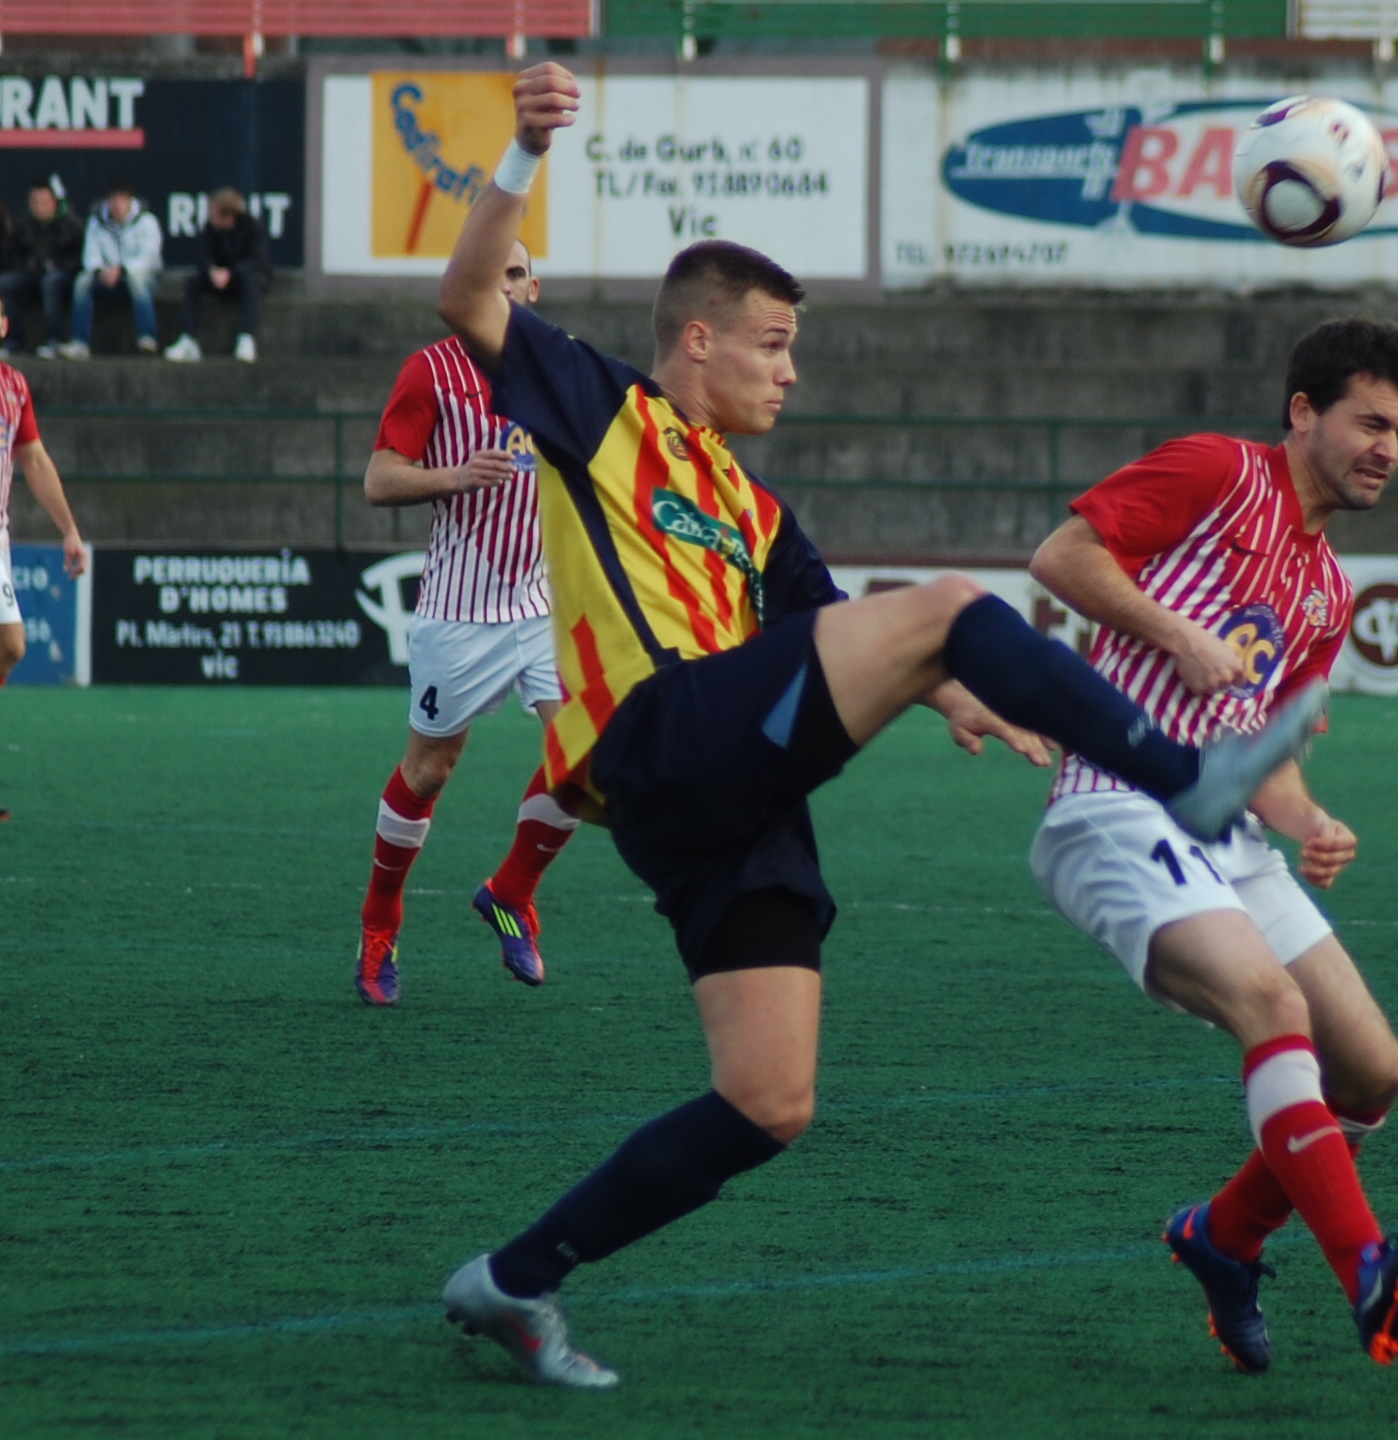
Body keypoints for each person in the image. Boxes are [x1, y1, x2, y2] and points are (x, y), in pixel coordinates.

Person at [431, 63, 1323, 1389]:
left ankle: (509, 1281)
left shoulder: (756, 506)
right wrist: (519, 149)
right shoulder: (604, 407)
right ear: (699, 343)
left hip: (730, 801)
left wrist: (964, 692)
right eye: (775, 345)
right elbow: (465, 300)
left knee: (768, 1101)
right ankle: (1188, 786)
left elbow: (833, 622)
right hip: (662, 738)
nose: (792, 371)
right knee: (952, 602)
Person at [1027, 318, 1398, 1373]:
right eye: (1369, 422)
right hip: (1115, 805)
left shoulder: (1329, 591)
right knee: (1275, 1005)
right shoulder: (1219, 472)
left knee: (1373, 1073)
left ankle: (1223, 1238)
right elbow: (1061, 556)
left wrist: (1309, 820)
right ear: (1303, 412)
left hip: (1231, 840)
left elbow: (1263, 749)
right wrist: (1179, 634)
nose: (1387, 449)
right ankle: (1365, 1266)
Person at [354, 237, 582, 1007]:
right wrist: (456, 475)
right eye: (493, 275)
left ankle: (512, 891)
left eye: (517, 273)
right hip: (460, 610)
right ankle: (380, 918)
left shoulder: (561, 369)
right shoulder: (432, 371)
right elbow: (379, 478)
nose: (506, 287)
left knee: (588, 757)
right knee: (430, 771)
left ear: (535, 286)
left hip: (546, 604)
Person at [0, 284, 88, 818]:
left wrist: (68, 528)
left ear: (3, 325)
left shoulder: (14, 387)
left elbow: (35, 460)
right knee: (10, 645)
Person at [163, 188, 271, 365]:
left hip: (242, 278)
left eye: (214, 214)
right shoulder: (209, 229)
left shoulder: (253, 227)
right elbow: (202, 255)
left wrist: (232, 272)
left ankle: (246, 337)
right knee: (193, 282)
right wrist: (212, 271)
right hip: (217, 278)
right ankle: (189, 339)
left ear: (229, 216)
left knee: (251, 282)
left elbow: (257, 259)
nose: (211, 218)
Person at [57, 180, 161, 359]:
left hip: (141, 277)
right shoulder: (96, 222)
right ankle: (80, 342)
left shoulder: (147, 221)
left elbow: (148, 257)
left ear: (130, 201)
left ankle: (147, 337)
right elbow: (90, 255)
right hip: (106, 278)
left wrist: (122, 270)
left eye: (122, 200)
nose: (117, 205)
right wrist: (100, 271)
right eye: (113, 200)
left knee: (137, 279)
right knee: (83, 281)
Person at [0, 181, 82, 358]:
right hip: (31, 275)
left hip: (61, 278)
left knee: (51, 282)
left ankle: (53, 339)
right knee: (3, 284)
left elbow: (78, 259)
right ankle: (13, 341)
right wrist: (32, 265)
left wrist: (54, 266)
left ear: (54, 203)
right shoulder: (23, 226)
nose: (38, 207)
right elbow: (13, 257)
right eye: (34, 202)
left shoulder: (71, 225)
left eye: (44, 202)